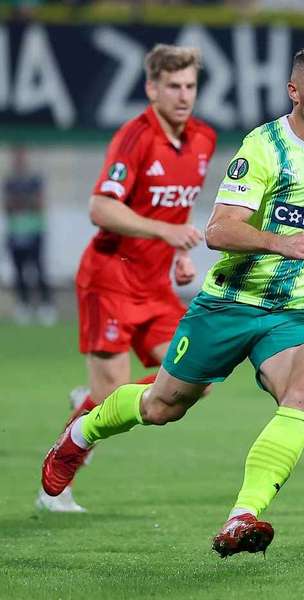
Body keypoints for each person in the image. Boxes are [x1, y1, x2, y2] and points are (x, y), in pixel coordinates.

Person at [40, 45, 304, 557]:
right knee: (163, 407)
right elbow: (219, 229)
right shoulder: (264, 148)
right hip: (229, 304)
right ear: (295, 92)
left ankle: (242, 514)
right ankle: (80, 434)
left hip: (296, 314)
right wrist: (280, 241)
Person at [35, 44, 216, 513]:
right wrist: (166, 231)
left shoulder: (202, 139)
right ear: (151, 88)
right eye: (172, 86)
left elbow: (171, 205)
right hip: (109, 280)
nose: (183, 95)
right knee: (112, 398)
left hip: (156, 285)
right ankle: (57, 484)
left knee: (199, 376)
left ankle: (94, 400)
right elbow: (102, 207)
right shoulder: (134, 138)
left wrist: (177, 250)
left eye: (190, 86)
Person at [3, 146, 55, 326]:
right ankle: (23, 305)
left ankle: (46, 305)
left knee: (38, 269)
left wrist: (22, 202)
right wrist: (24, 201)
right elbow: (8, 205)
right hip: (15, 231)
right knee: (19, 270)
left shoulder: (34, 179)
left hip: (34, 230)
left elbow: (39, 203)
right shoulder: (9, 181)